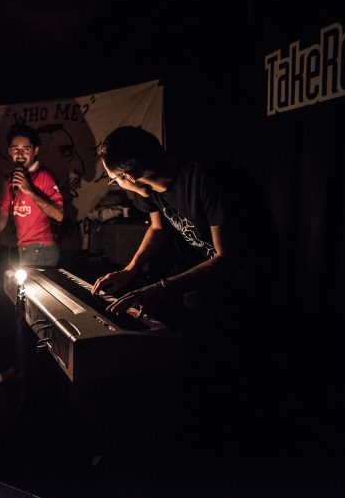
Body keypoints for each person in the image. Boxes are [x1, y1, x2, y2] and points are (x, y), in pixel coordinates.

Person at [91, 125, 280, 483]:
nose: (117, 186)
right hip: (203, 289)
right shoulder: (148, 188)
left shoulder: (209, 176)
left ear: (129, 175)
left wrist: (157, 289)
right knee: (201, 379)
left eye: (115, 180)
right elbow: (160, 228)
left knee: (244, 387)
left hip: (249, 290)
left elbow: (226, 258)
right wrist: (130, 271)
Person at [0, 123, 64, 383]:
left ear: (36, 151)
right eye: (15, 149)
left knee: (37, 318)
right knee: (23, 316)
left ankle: (34, 373)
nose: (20, 154)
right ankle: (25, 370)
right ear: (9, 152)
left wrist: (31, 190)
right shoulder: (11, 181)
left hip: (42, 251)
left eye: (25, 149)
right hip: (24, 252)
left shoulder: (44, 177)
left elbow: (60, 214)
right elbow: (4, 212)